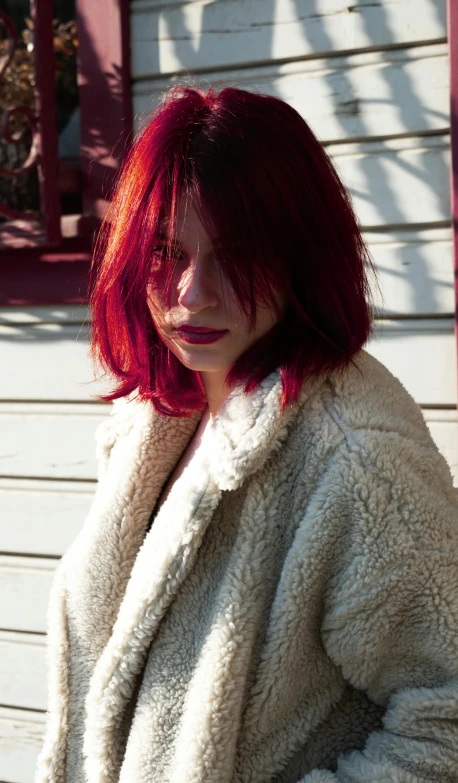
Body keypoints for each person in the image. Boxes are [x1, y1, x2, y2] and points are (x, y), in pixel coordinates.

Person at [35, 86, 458, 783]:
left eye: (236, 254)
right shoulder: (158, 421)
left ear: (302, 254)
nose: (193, 292)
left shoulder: (357, 457)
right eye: (166, 252)